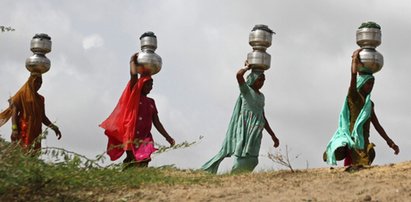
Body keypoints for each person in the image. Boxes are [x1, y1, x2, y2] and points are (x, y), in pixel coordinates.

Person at [324, 49, 400, 170]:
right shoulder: (354, 97)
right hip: (353, 142)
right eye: (368, 84)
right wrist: (354, 60)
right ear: (362, 83)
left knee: (365, 166)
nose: (370, 87)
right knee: (352, 169)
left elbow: (377, 125)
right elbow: (353, 77)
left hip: (364, 142)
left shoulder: (369, 104)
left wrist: (390, 142)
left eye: (372, 84)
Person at [201, 61, 280, 174]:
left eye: (263, 80)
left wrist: (273, 135)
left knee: (253, 159)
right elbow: (239, 75)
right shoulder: (246, 90)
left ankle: (242, 176)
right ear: (253, 79)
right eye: (259, 79)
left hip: (257, 130)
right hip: (245, 128)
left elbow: (262, 116)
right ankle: (232, 175)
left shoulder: (261, 96)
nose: (262, 82)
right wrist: (246, 67)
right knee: (242, 154)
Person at [100, 52, 175, 168]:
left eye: (152, 85)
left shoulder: (151, 102)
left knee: (145, 158)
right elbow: (134, 76)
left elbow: (157, 122)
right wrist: (132, 61)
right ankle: (127, 176)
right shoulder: (133, 95)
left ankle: (141, 179)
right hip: (131, 134)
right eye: (148, 84)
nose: (151, 87)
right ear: (141, 84)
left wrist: (168, 137)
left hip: (145, 136)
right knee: (132, 159)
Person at [0, 74, 62, 152]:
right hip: (23, 129)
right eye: (36, 82)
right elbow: (14, 113)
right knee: (21, 152)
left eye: (40, 83)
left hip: (36, 131)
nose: (38, 85)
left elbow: (42, 117)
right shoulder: (22, 94)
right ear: (30, 82)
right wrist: (14, 129)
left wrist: (54, 127)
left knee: (32, 154)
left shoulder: (41, 99)